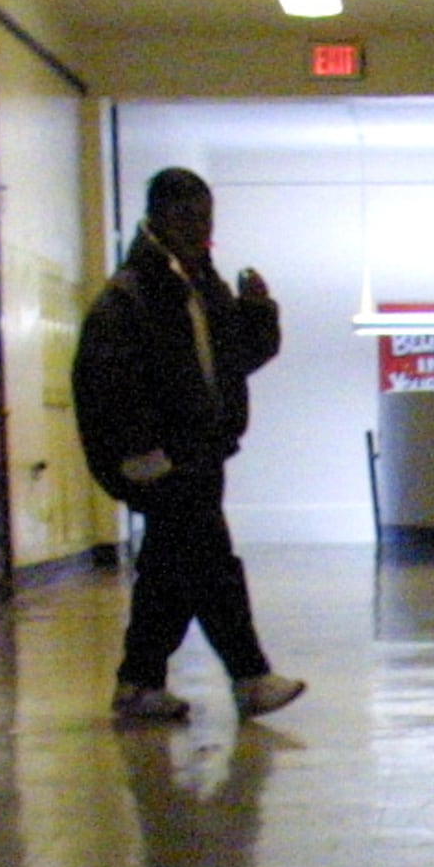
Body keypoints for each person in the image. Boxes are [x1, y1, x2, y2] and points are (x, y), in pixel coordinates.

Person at [73, 169, 304, 724]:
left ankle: (139, 683)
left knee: (171, 568)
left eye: (207, 218)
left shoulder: (202, 283)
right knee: (209, 561)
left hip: (199, 451)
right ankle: (249, 676)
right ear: (160, 218)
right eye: (190, 218)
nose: (202, 229)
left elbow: (232, 362)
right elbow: (108, 379)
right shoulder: (131, 294)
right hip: (165, 458)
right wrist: (140, 453)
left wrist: (258, 313)